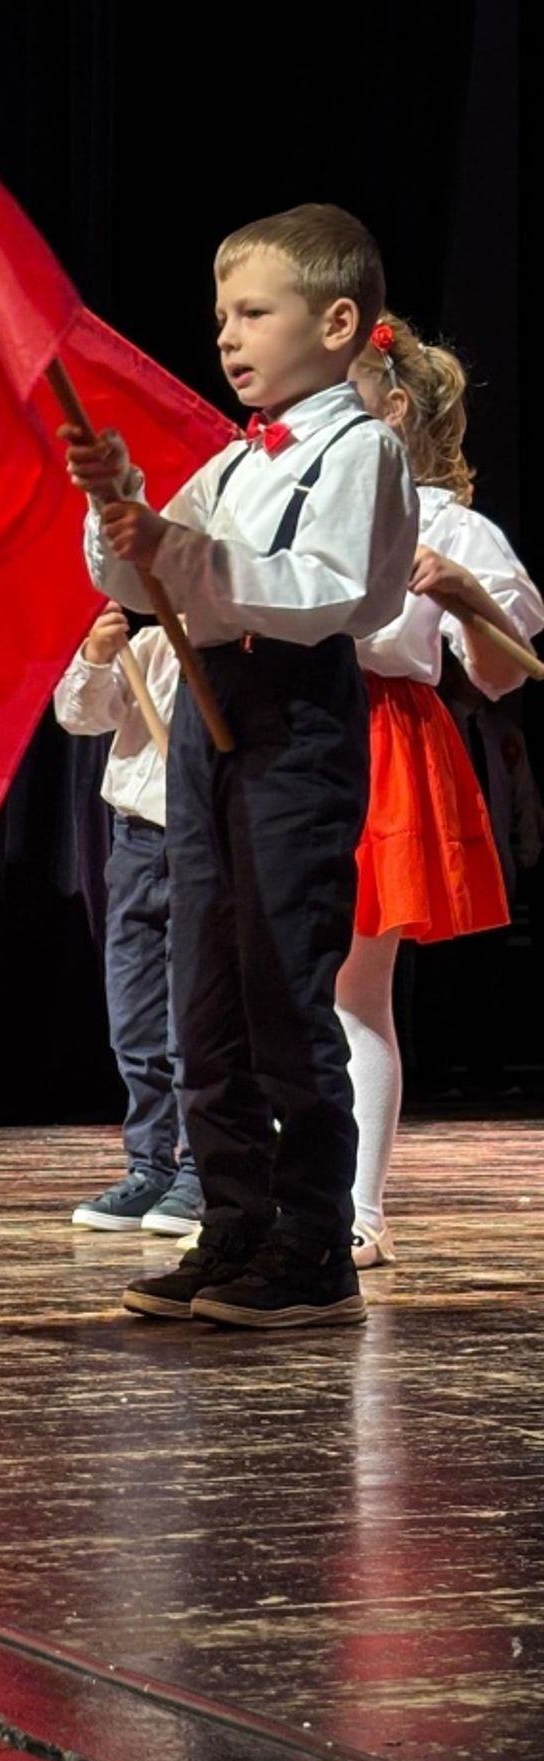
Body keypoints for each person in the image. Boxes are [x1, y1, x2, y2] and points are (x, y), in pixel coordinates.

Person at [67, 203, 418, 1328]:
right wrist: (118, 508)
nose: (228, 334)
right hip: (209, 713)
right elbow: (143, 582)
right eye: (223, 314)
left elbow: (329, 591)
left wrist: (176, 548)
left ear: (338, 323)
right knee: (203, 984)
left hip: (292, 712)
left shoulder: (359, 451)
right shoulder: (232, 458)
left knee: (278, 977)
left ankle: (313, 1242)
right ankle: (232, 1221)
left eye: (255, 312)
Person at [339, 313, 544, 1267]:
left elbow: (502, 670)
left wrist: (462, 590)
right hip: (284, 727)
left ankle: (358, 1206)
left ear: (391, 408)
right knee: (264, 979)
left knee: (352, 987)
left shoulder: (444, 523)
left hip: (376, 732)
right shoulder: (289, 490)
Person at [54, 604, 201, 1237]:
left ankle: (202, 1170)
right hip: (136, 841)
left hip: (201, 839)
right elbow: (79, 715)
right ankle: (150, 1166)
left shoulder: (237, 646)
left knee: (194, 1020)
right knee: (134, 1021)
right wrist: (97, 653)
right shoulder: (150, 644)